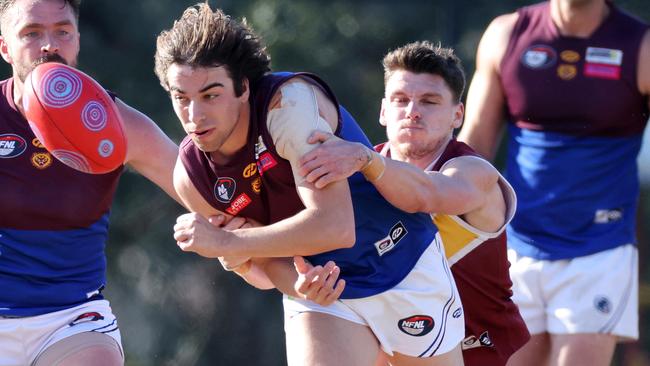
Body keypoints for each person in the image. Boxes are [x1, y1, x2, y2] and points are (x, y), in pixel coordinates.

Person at [158, 4, 465, 366]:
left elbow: (335, 227)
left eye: (211, 95)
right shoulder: (192, 176)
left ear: (243, 87)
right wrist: (297, 284)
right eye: (181, 97)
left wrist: (226, 242)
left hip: (401, 262)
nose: (194, 116)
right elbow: (262, 264)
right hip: (327, 298)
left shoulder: (285, 105)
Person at [298, 41, 530, 366]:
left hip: (479, 350)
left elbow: (424, 195)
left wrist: (366, 161)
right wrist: (243, 255)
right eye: (401, 100)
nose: (412, 111)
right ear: (383, 111)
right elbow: (289, 264)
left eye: (429, 101)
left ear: (457, 115)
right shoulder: (355, 169)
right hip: (393, 347)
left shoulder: (472, 171)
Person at [456, 0, 650, 365]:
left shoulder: (640, 46)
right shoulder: (507, 34)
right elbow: (472, 150)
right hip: (515, 247)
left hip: (600, 249)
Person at [0, 1, 180, 365]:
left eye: (62, 31)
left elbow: (205, 191)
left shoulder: (118, 123)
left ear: (78, 39)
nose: (49, 44)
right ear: (5, 46)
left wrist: (272, 252)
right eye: (32, 33)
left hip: (71, 321)